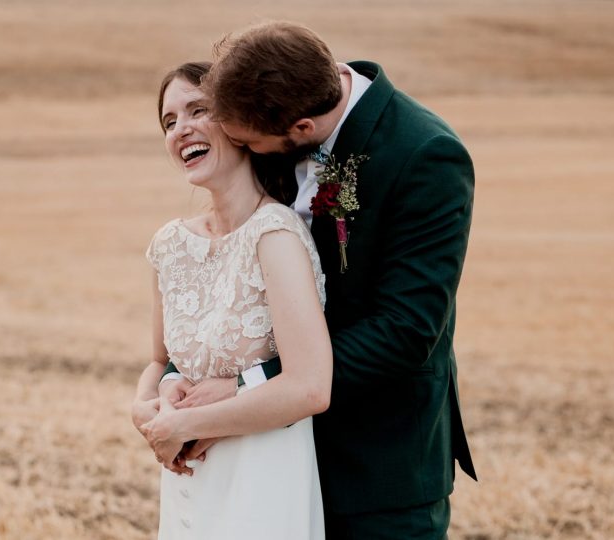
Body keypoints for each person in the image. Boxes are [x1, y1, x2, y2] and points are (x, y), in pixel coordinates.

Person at [196, 22, 479, 539]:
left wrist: (251, 388)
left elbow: (407, 330)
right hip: (267, 457)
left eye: (249, 143)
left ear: (301, 129)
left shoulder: (426, 156)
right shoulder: (280, 112)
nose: (243, 151)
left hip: (378, 465)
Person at [131, 62, 331, 540]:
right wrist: (145, 407)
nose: (182, 129)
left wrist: (189, 423)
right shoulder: (171, 245)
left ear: (239, 125)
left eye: (198, 110)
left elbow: (310, 388)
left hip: (263, 475)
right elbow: (161, 362)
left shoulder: (275, 234)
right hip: (188, 479)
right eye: (169, 121)